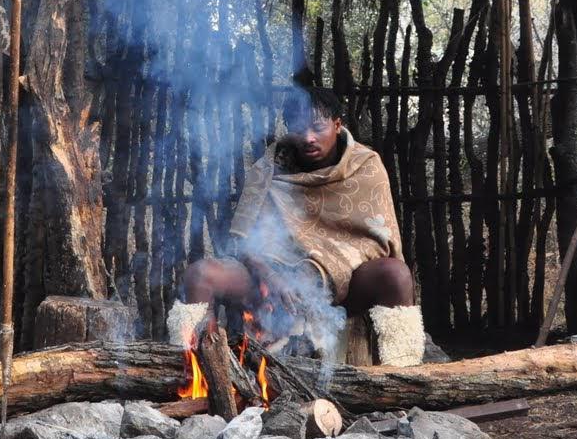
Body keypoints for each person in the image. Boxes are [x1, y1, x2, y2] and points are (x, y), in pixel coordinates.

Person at [169, 77, 425, 366]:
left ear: (338, 125)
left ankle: (403, 374)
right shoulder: (269, 169)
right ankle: (199, 373)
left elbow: (377, 242)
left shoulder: (365, 166)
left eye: (318, 127)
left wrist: (317, 271)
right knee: (201, 275)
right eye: (299, 129)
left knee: (396, 275)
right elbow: (243, 242)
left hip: (343, 287)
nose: (308, 138)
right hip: (272, 286)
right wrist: (274, 276)